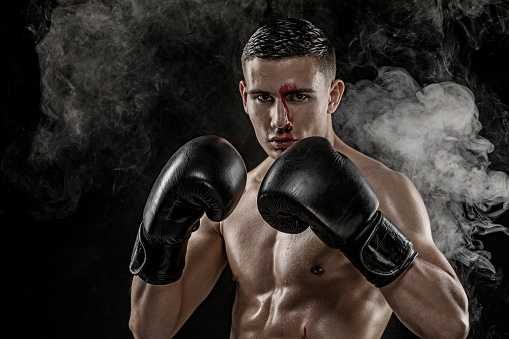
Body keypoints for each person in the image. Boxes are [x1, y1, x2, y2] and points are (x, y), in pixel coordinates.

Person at [128, 18, 469, 338]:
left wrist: (366, 232)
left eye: (298, 96)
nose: (280, 119)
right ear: (245, 98)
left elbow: (450, 325)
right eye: (264, 97)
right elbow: (151, 330)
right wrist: (160, 237)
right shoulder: (233, 196)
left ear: (333, 96)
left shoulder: (379, 188)